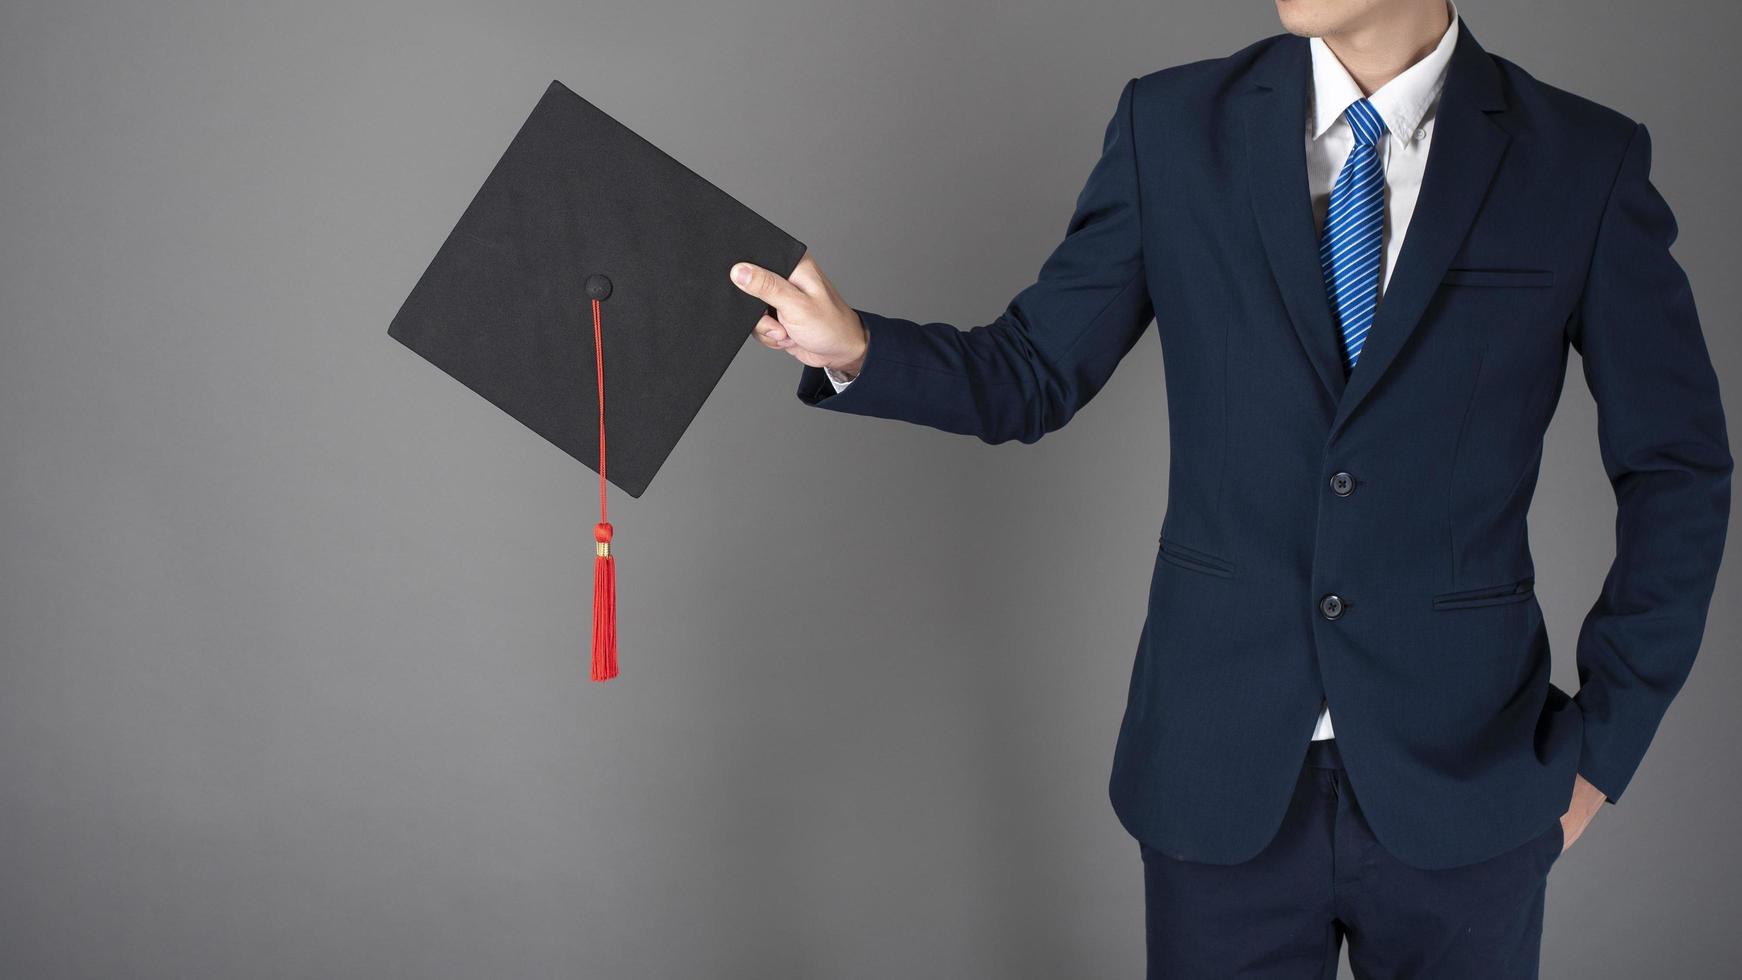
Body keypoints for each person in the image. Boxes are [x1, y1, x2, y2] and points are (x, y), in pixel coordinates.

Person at [728, 0, 1732, 975]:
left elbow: (1677, 466)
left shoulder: (1579, 160)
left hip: (1469, 777)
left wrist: (1601, 745)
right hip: (1216, 770)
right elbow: (1031, 372)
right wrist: (856, 349)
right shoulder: (1169, 127)